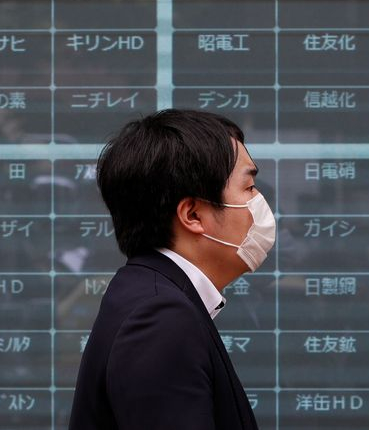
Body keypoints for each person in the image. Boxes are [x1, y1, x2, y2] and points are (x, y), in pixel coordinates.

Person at [69, 108, 276, 429]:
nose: (259, 202)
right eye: (249, 188)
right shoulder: (161, 318)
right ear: (192, 215)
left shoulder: (150, 294)